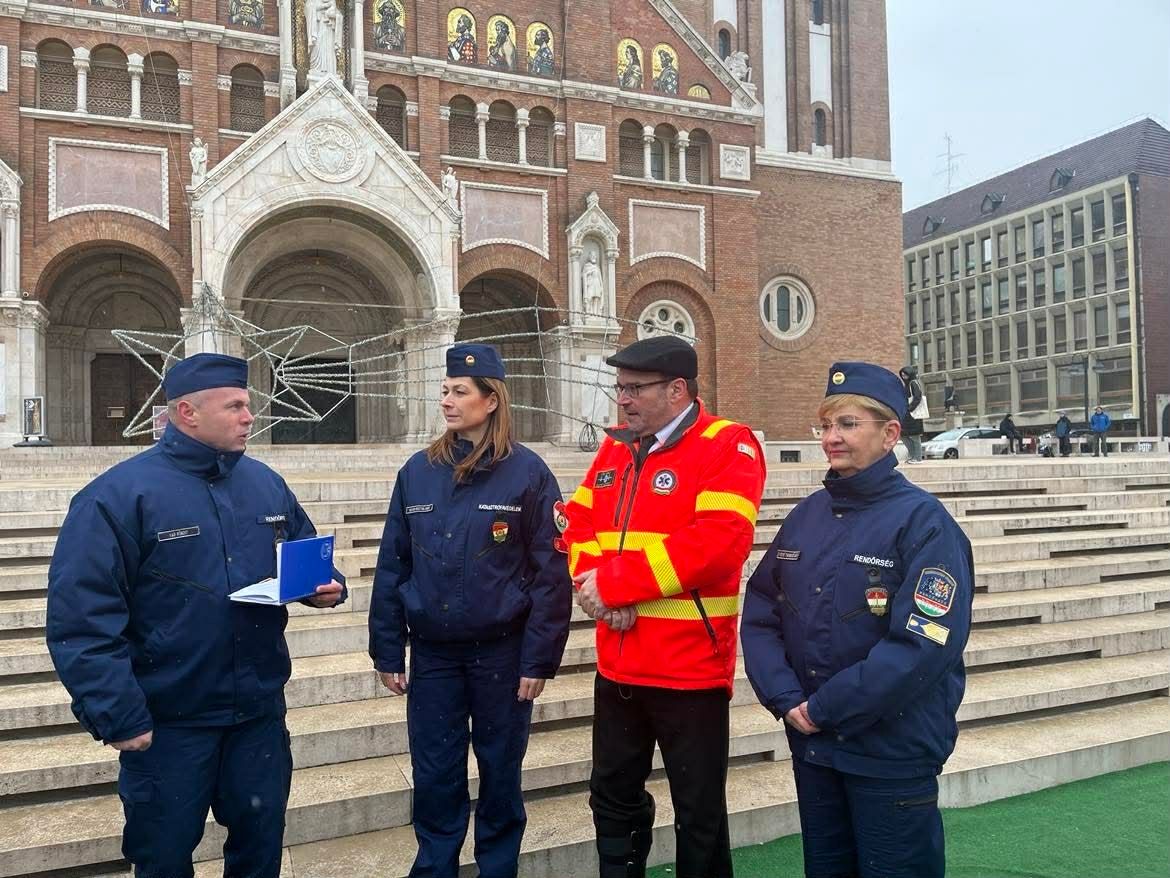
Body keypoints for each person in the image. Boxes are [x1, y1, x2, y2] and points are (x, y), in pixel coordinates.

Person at [46, 353, 347, 878]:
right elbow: (82, 620)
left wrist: (325, 586)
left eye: (247, 405)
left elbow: (306, 553)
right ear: (188, 412)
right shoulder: (116, 497)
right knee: (162, 858)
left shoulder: (265, 484)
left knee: (259, 850)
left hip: (257, 716)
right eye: (235, 406)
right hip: (168, 726)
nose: (249, 416)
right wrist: (118, 715)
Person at [741, 361, 974, 878]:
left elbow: (923, 643)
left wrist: (825, 707)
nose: (831, 438)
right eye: (825, 426)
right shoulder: (807, 515)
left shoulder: (924, 523)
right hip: (815, 745)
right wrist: (787, 700)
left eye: (847, 424)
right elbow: (760, 611)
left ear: (890, 434)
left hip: (890, 751)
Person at [562, 335, 766, 878]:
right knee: (611, 800)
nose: (621, 400)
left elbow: (719, 543)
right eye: (620, 388)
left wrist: (619, 586)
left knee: (698, 814)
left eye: (634, 389)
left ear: (678, 390)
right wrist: (594, 585)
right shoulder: (615, 446)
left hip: (689, 671)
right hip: (619, 662)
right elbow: (576, 522)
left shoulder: (729, 445)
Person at [368, 343, 571, 878]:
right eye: (444, 391)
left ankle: (497, 868)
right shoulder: (418, 471)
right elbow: (394, 563)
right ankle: (435, 867)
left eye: (460, 392)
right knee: (434, 773)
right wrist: (387, 648)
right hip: (433, 655)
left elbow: (552, 576)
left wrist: (538, 661)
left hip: (501, 656)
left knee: (501, 772)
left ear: (492, 400)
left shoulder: (528, 475)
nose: (448, 402)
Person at [899, 365, 925, 463]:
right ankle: (912, 455)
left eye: (905, 374)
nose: (904, 376)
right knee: (903, 435)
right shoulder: (907, 384)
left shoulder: (913, 383)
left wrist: (910, 409)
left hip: (913, 413)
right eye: (902, 375)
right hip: (907, 413)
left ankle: (917, 458)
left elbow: (918, 397)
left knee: (915, 436)